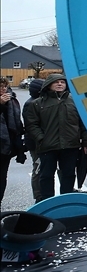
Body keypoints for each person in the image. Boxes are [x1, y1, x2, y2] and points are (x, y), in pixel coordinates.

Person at [23, 74, 87, 201]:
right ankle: (46, 202)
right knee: (46, 176)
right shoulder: (37, 103)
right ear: (48, 85)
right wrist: (41, 138)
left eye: (62, 82)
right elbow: (31, 124)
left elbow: (84, 122)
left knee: (69, 175)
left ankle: (66, 201)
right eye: (56, 82)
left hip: (71, 145)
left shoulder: (75, 101)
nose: (60, 84)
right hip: (47, 146)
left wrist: (86, 141)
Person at [0, 77, 27, 205]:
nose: (3, 89)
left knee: (2, 177)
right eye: (0, 87)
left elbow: (16, 124)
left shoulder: (12, 101)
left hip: (6, 146)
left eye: (5, 86)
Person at [22, 78, 45, 201]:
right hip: (36, 143)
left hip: (40, 141)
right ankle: (38, 196)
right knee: (38, 168)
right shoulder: (32, 104)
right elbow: (31, 126)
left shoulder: (38, 101)